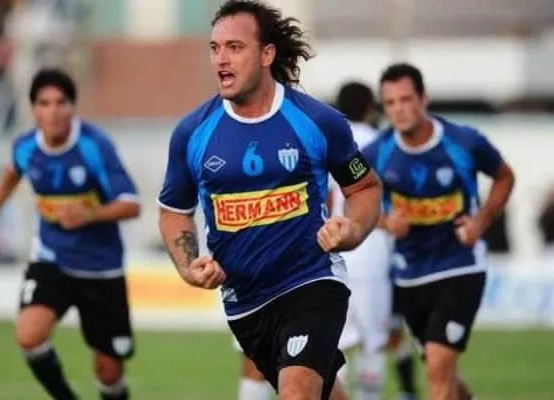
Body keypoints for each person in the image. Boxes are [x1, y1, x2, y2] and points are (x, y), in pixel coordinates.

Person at [157, 1, 382, 399]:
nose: (221, 59)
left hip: (312, 281)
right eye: (215, 48)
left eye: (234, 47)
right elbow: (174, 212)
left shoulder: (317, 121)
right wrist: (190, 266)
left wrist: (353, 229)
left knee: (296, 394)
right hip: (245, 303)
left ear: (267, 54)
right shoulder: (193, 133)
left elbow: (364, 188)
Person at [0, 68, 140, 400]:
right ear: (34, 110)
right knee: (28, 335)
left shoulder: (94, 146)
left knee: (109, 372)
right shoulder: (26, 146)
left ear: (73, 108)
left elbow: (131, 204)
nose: (53, 112)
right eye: (44, 104)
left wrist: (91, 214)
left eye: (61, 103)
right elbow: (12, 171)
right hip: (51, 259)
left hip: (101, 267)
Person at [363, 63, 515, 400]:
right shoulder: (377, 153)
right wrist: (385, 222)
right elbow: (351, 199)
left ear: (424, 99)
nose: (399, 109)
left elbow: (504, 176)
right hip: (409, 275)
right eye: (390, 103)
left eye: (406, 99)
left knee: (438, 367)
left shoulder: (463, 141)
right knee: (440, 368)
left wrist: (481, 222)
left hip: (459, 266)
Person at [330, 82, 418, 400]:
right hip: (371, 252)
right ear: (371, 108)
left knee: (333, 345)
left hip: (334, 253)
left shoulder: (328, 142)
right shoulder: (382, 145)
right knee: (373, 343)